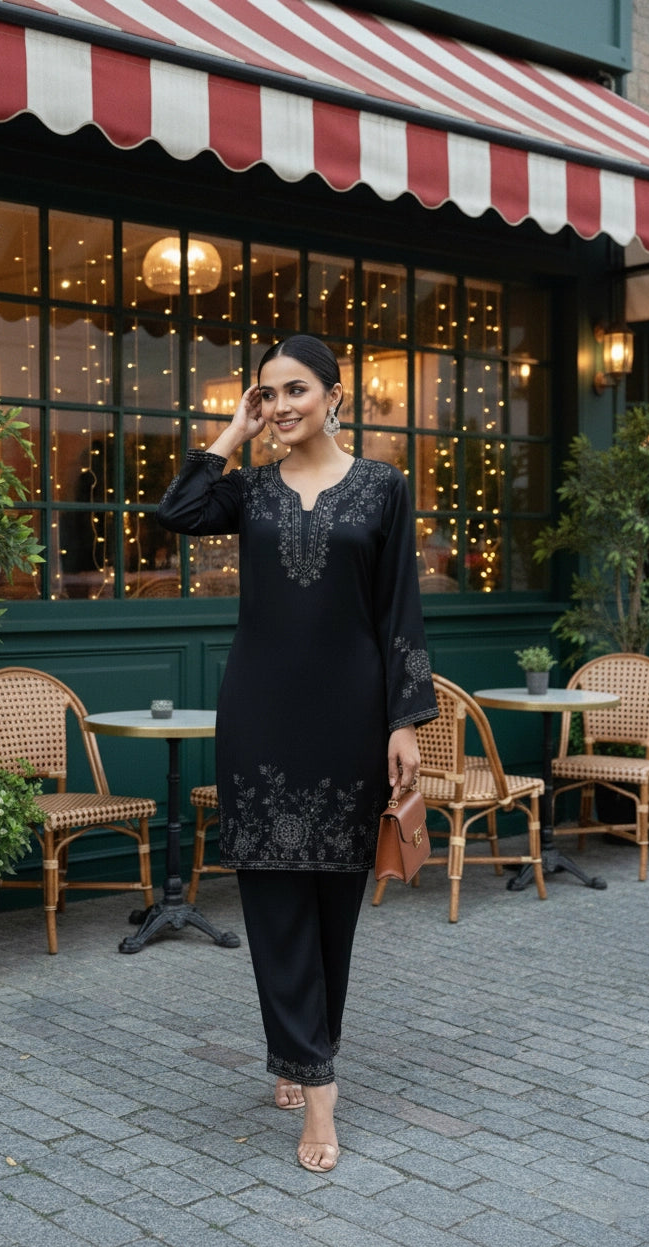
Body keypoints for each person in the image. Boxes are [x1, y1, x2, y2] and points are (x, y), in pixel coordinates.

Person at [157, 335, 437, 1174]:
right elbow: (173, 513)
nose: (279, 406)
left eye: (295, 391)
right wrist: (228, 435)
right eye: (266, 394)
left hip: (351, 717)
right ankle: (317, 1087)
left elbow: (401, 613)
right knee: (275, 899)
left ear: (335, 396)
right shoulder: (247, 492)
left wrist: (405, 720)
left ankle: (302, 1047)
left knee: (332, 904)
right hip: (262, 718)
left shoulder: (383, 488)